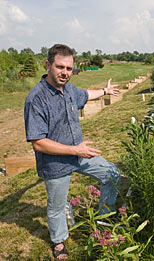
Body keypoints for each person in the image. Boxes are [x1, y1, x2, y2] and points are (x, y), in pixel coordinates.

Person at [24, 44, 121, 260]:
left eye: (69, 68)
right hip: (55, 163)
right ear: (48, 65)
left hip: (80, 154)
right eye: (60, 67)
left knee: (112, 175)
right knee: (57, 206)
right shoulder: (36, 99)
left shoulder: (69, 89)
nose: (65, 72)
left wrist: (104, 91)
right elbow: (38, 143)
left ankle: (104, 217)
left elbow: (86, 94)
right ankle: (58, 241)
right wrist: (74, 149)